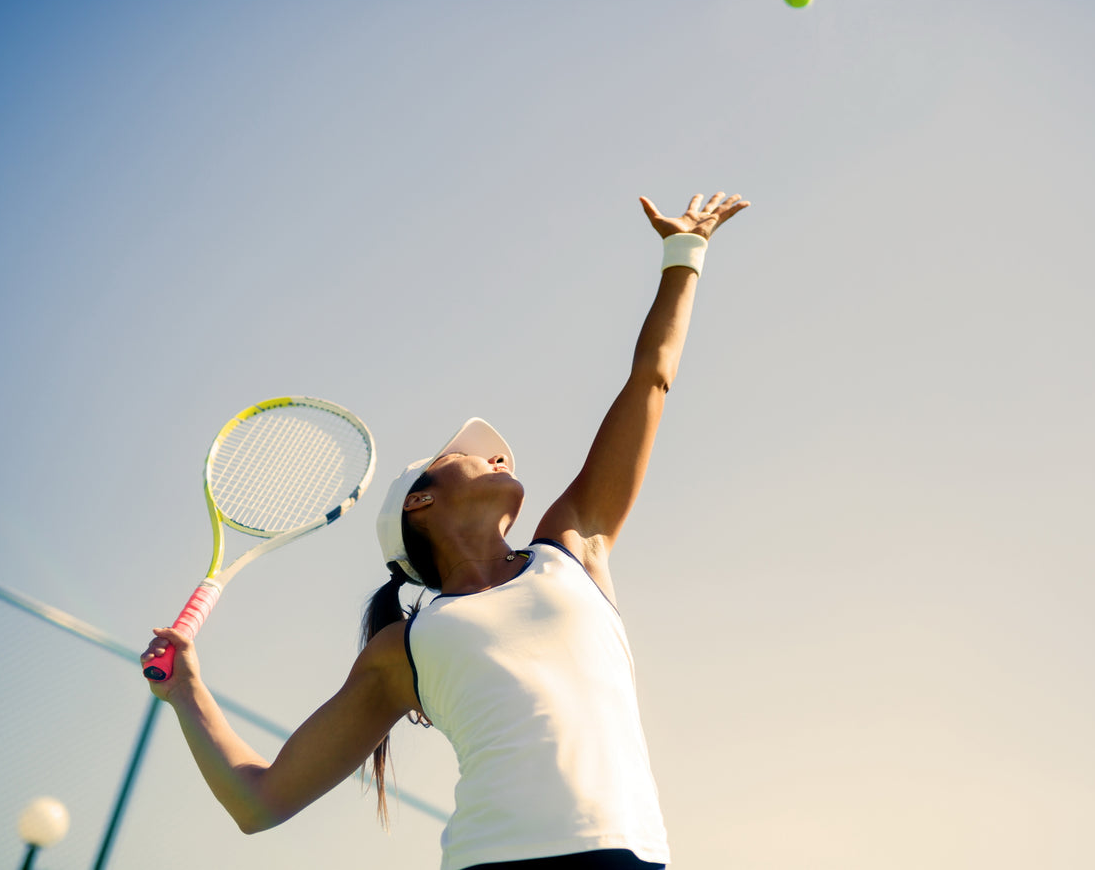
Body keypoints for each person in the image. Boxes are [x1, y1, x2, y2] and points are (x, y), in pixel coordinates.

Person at [141, 191, 750, 870]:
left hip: (632, 857)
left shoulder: (574, 546)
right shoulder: (403, 647)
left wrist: (683, 255)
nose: (500, 457)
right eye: (469, 454)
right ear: (420, 502)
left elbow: (650, 381)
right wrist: (185, 691)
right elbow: (259, 802)